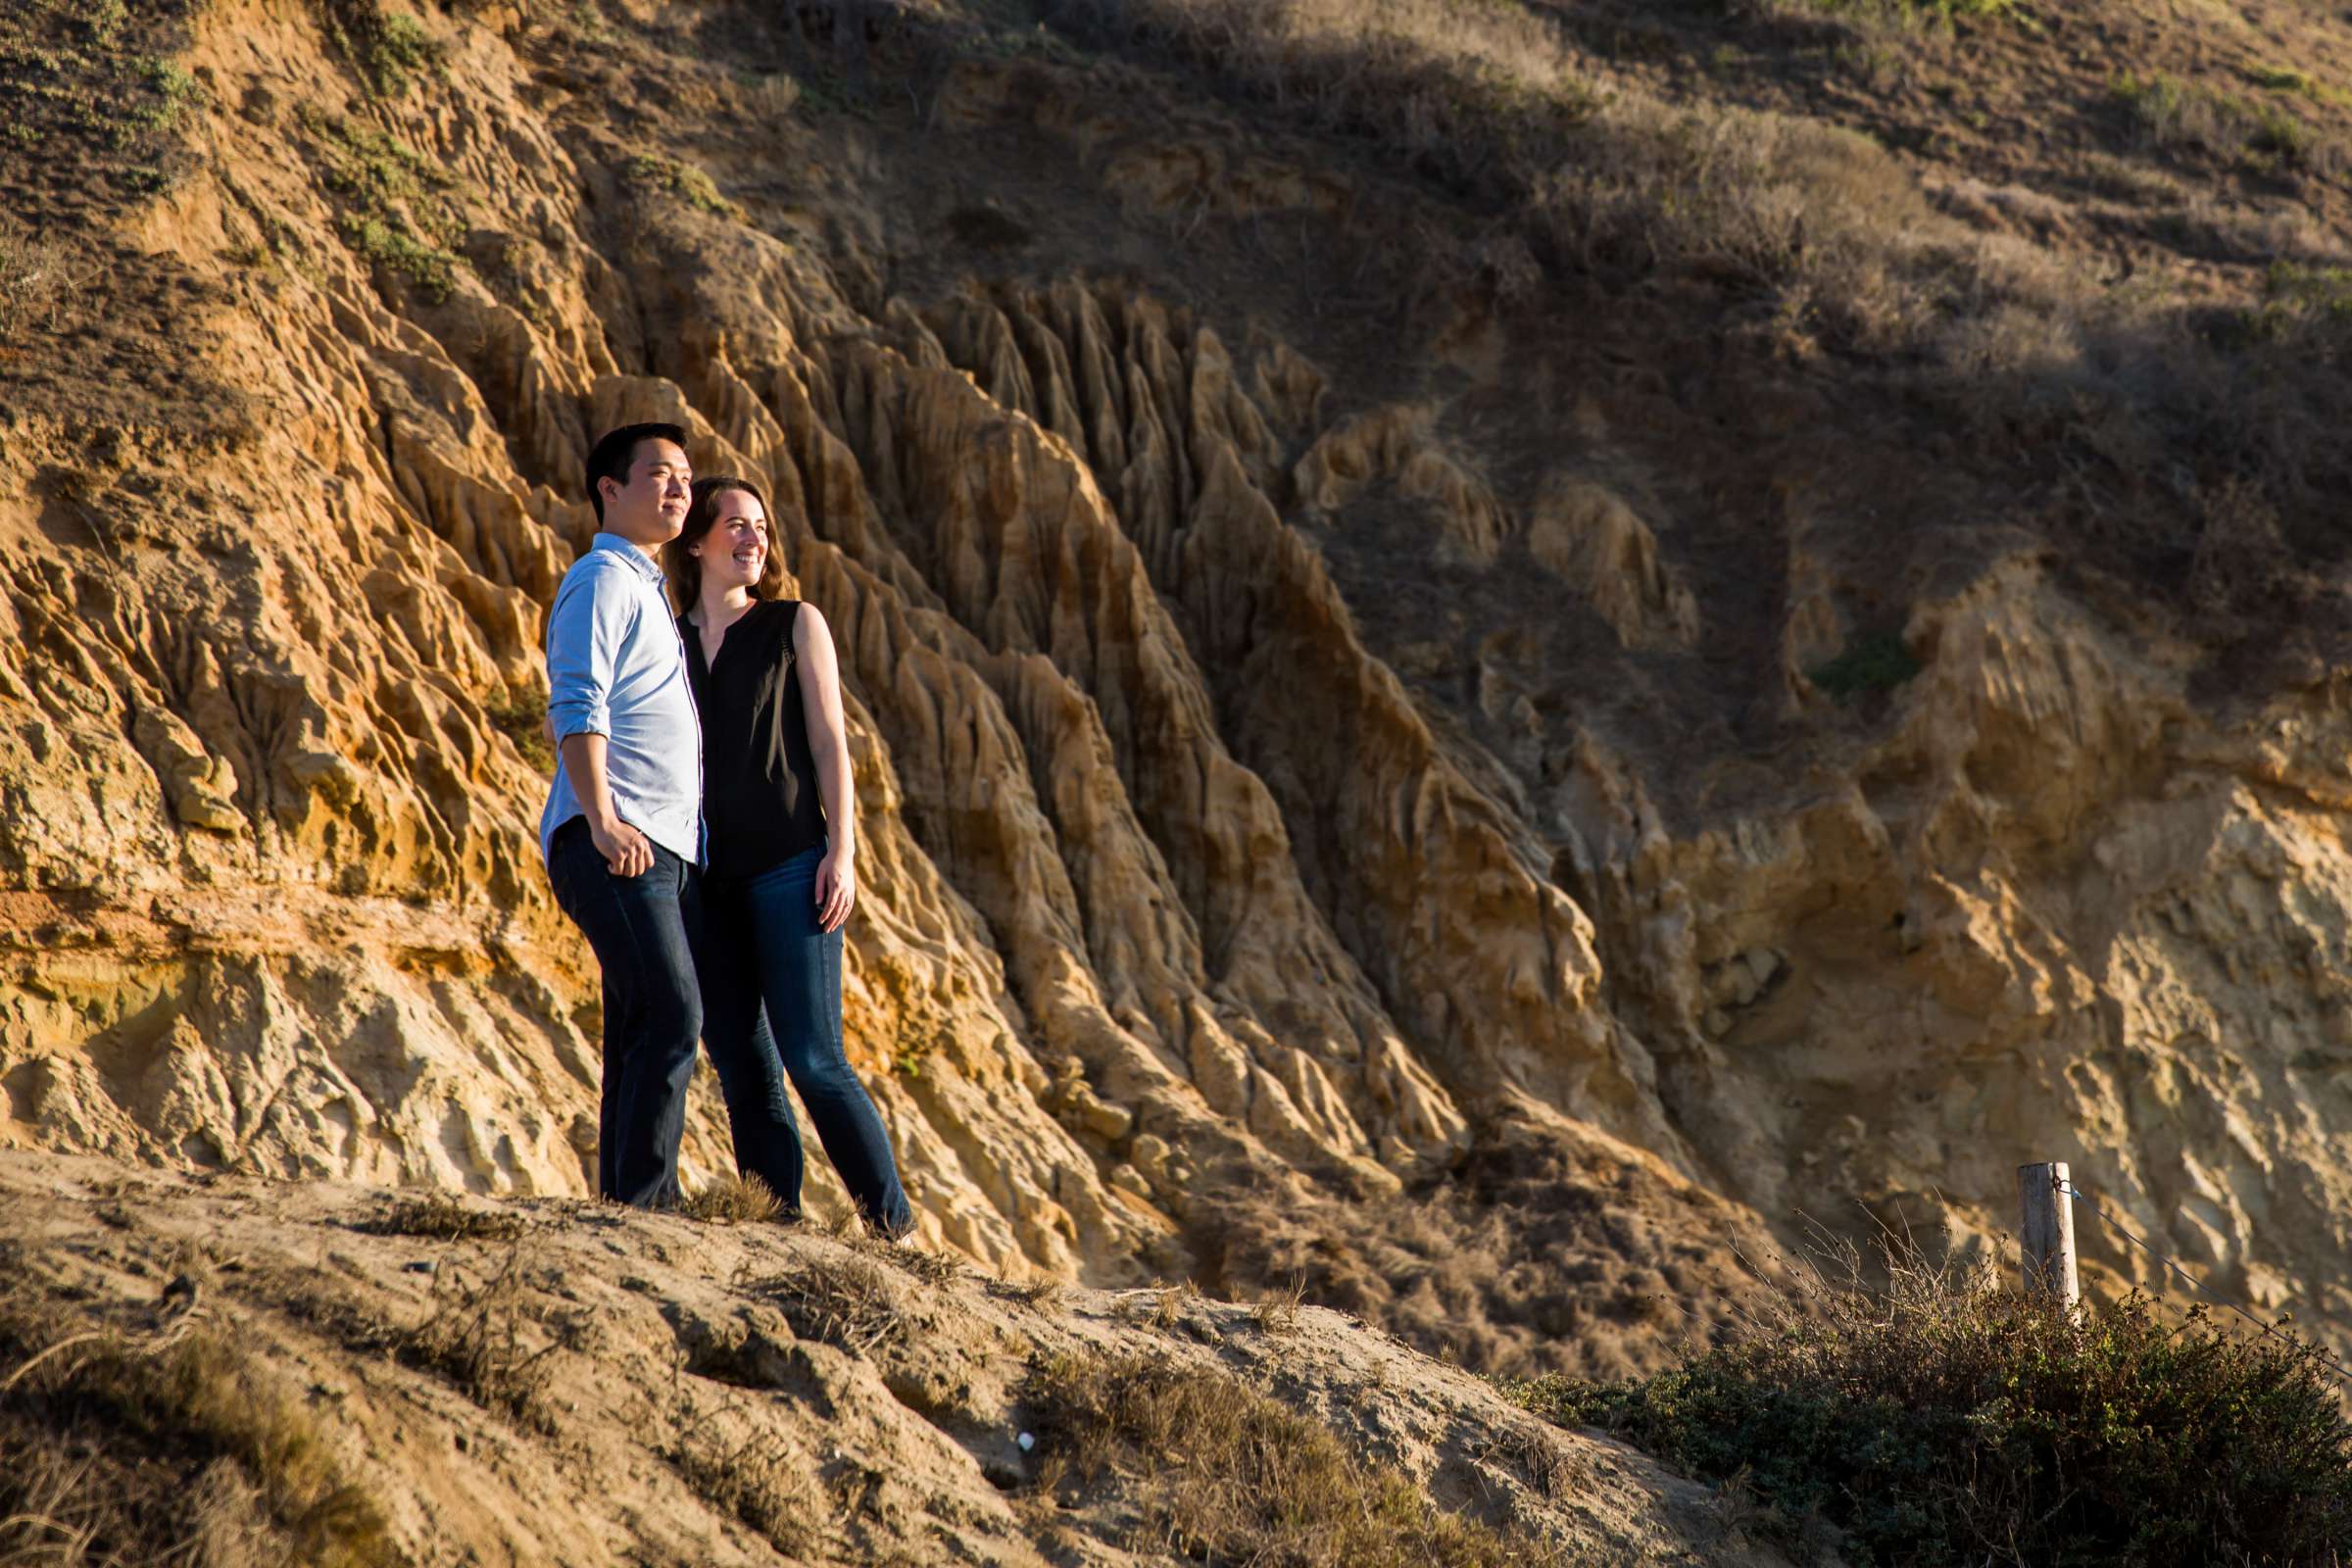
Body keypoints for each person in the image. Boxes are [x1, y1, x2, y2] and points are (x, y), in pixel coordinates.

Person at [665, 475, 912, 1236]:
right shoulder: (666, 637)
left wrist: (842, 849)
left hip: (789, 867)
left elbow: (833, 741)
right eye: (736, 525)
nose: (753, 540)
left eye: (761, 528)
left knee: (814, 1059)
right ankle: (777, 1231)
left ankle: (894, 1230)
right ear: (697, 541)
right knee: (744, 1071)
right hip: (704, 880)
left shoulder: (793, 623)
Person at [540, 422, 704, 1208]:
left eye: (686, 478)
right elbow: (575, 699)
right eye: (660, 474)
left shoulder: (644, 589)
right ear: (610, 489)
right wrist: (602, 818)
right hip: (617, 838)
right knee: (673, 1011)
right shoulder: (602, 577)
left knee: (644, 1021)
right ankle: (648, 1207)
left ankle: (628, 1208)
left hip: (651, 843)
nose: (679, 489)